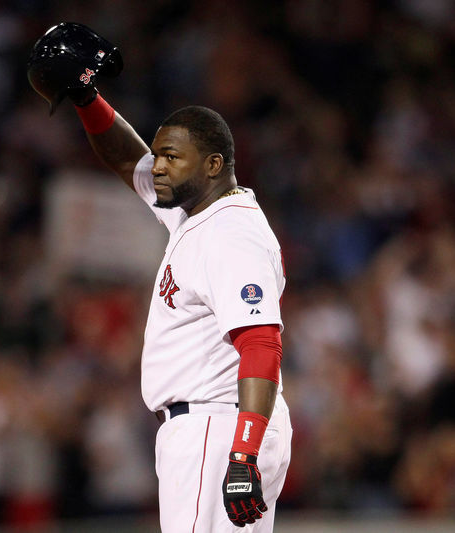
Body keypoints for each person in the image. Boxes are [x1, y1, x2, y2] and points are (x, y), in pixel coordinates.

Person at [28, 23, 292, 532]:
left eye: (173, 157)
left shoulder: (230, 233)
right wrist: (87, 97)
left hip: (220, 427)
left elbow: (261, 342)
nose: (160, 167)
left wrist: (241, 456)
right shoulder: (194, 212)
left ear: (214, 164)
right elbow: (128, 158)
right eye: (161, 154)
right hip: (210, 425)